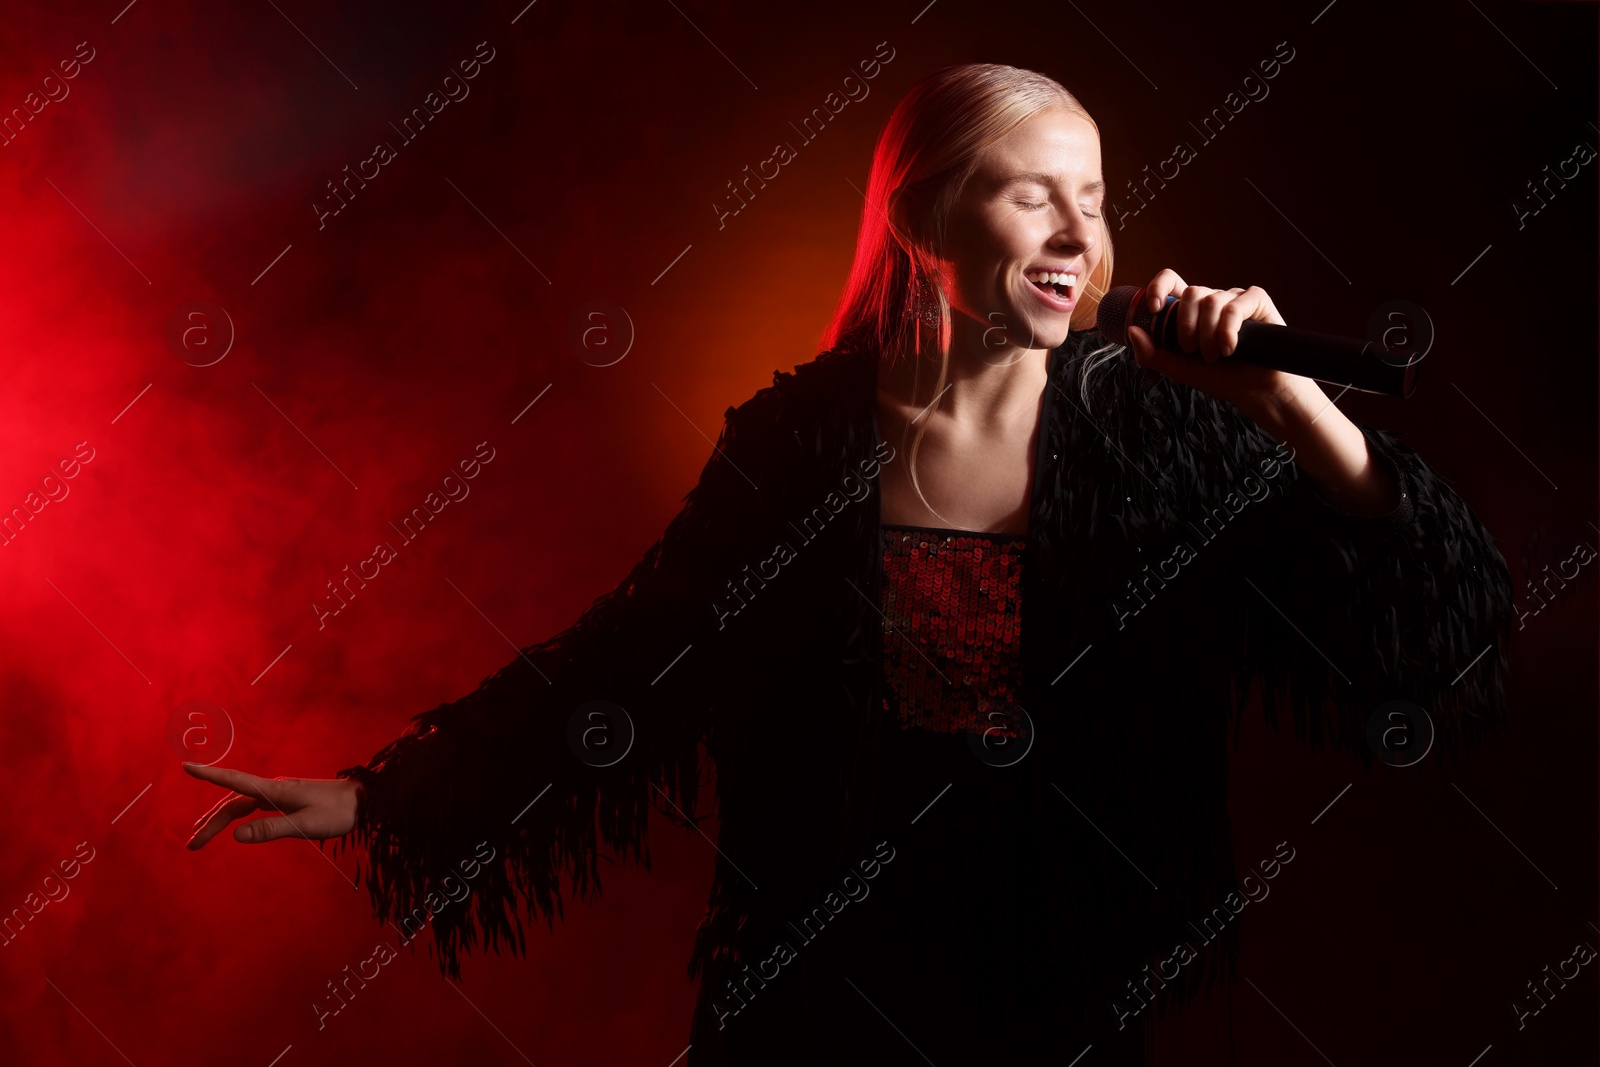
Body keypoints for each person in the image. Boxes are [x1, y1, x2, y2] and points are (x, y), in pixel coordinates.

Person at [185, 63, 1512, 1065]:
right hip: (818, 1004)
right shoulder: (800, 443)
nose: (1078, 231)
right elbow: (638, 658)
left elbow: (1435, 653)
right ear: (928, 218)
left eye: (1095, 198)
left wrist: (1298, 409)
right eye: (1032, 190)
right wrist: (386, 802)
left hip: (1065, 1012)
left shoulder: (1166, 440)